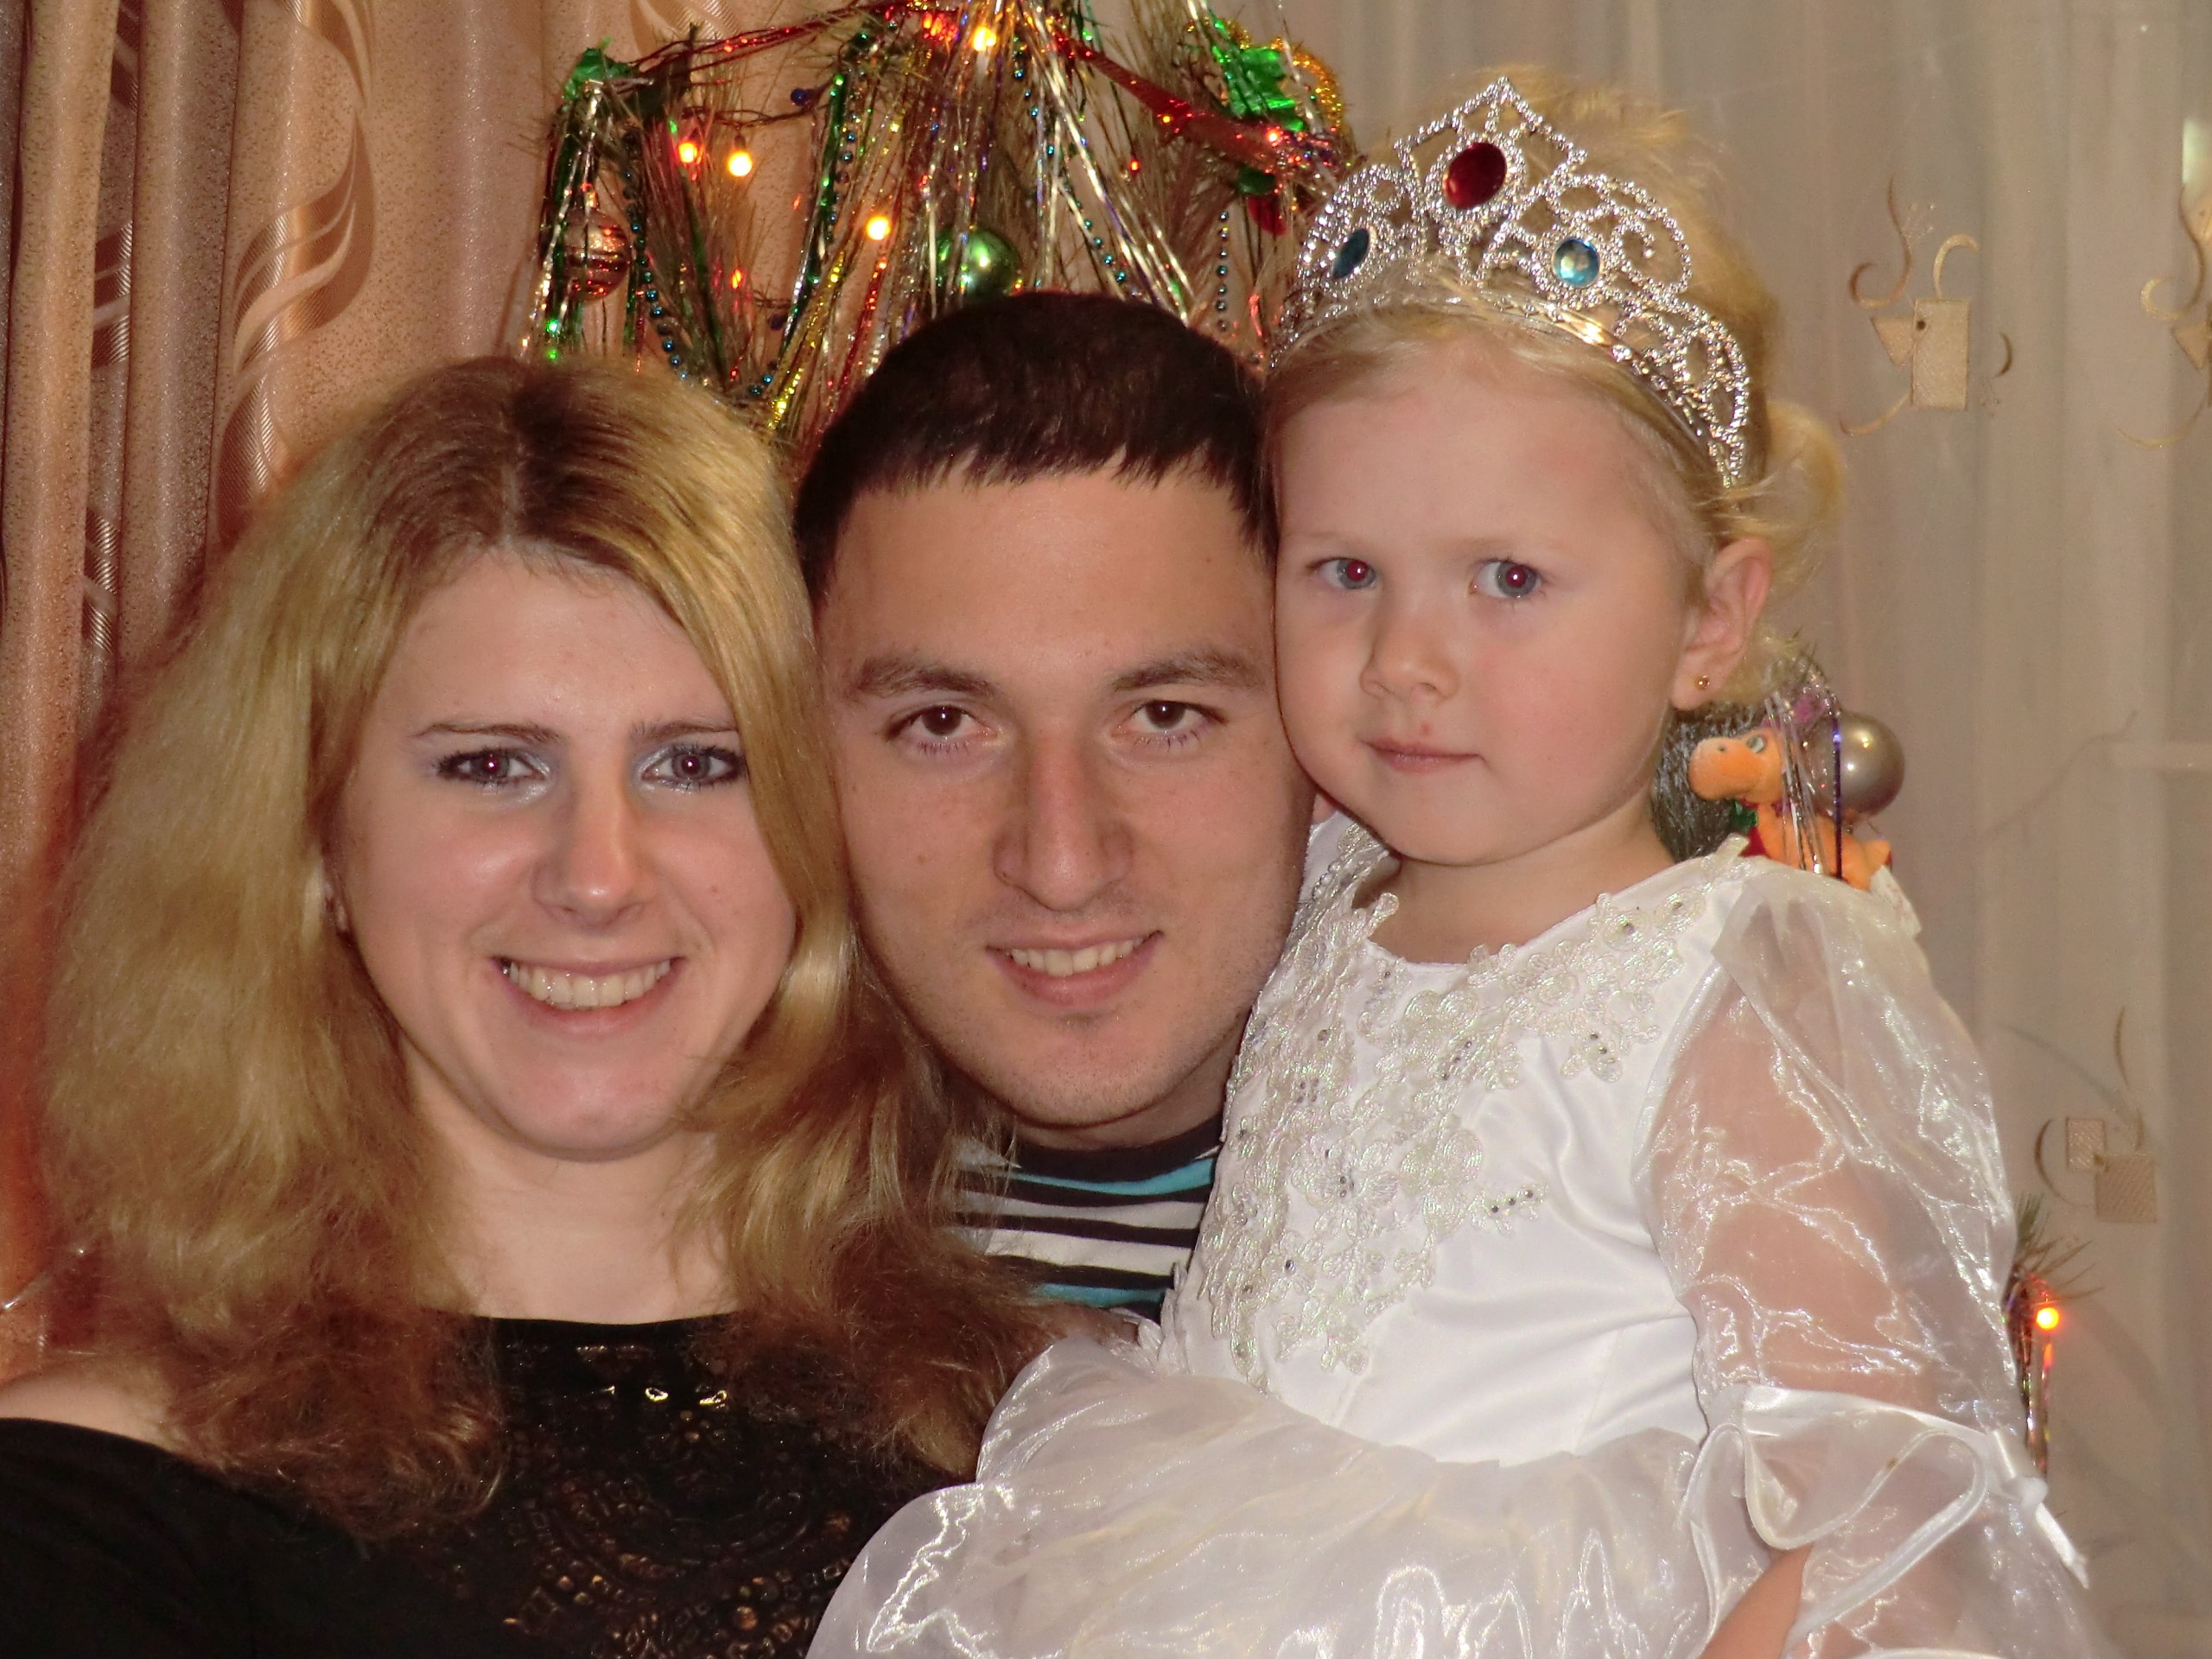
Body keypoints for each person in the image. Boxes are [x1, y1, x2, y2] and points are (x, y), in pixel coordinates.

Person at [811, 73, 2110, 1657]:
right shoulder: (1324, 898)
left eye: (1508, 579)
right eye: (1347, 571)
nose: (1407, 661)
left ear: (1711, 619)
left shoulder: (1733, 978)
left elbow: (1887, 1506)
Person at [0, 357, 1050, 1657]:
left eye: (696, 764)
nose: (598, 876)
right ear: (318, 841)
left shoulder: (1050, 1439)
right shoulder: (88, 1515)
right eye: (492, 765)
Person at [795, 294, 1314, 1316]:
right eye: (943, 724)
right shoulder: (676, 1245)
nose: (1062, 865)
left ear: (1325, 737)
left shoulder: (1565, 1226)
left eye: (1164, 716)